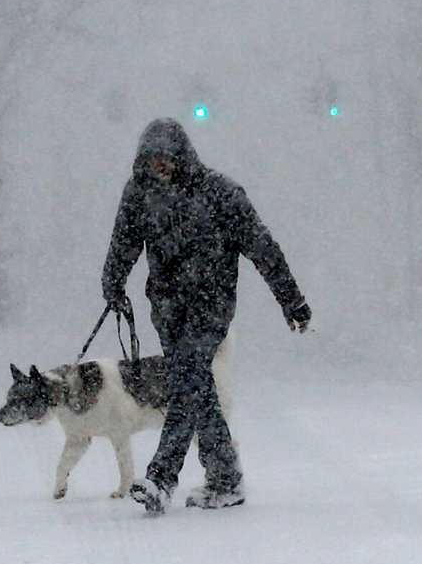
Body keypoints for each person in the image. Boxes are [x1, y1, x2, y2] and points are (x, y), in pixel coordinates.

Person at [101, 117, 311, 514]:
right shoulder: (139, 194)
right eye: (151, 158)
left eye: (165, 156)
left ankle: (161, 478)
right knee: (197, 389)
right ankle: (225, 479)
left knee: (187, 382)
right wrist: (112, 284)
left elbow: (263, 249)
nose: (158, 165)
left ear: (182, 154)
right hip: (166, 309)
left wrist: (291, 300)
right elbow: (123, 243)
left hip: (211, 307)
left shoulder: (220, 193)